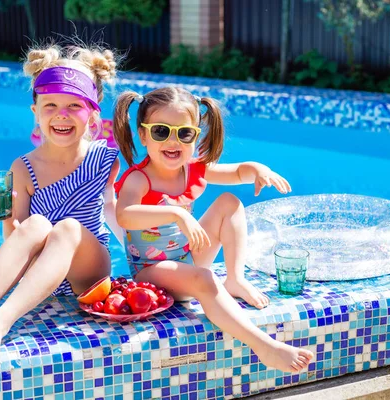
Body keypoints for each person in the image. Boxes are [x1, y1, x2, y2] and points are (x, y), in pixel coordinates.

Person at [0, 44, 121, 386]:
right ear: (35, 111)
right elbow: (17, 239)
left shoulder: (107, 158)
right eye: (50, 105)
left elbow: (124, 205)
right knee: (38, 224)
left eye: (74, 106)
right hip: (40, 272)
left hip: (88, 271)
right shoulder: (24, 167)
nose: (61, 114)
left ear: (93, 114)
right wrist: (5, 214)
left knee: (66, 228)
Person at [112, 87, 314, 372]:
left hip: (186, 258)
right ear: (143, 135)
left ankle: (234, 279)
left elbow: (235, 172)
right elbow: (124, 216)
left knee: (229, 203)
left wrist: (255, 168)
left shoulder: (191, 168)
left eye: (184, 133)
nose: (173, 141)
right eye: (161, 131)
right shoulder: (139, 179)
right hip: (152, 272)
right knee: (205, 278)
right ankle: (263, 346)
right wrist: (174, 213)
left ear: (196, 136)